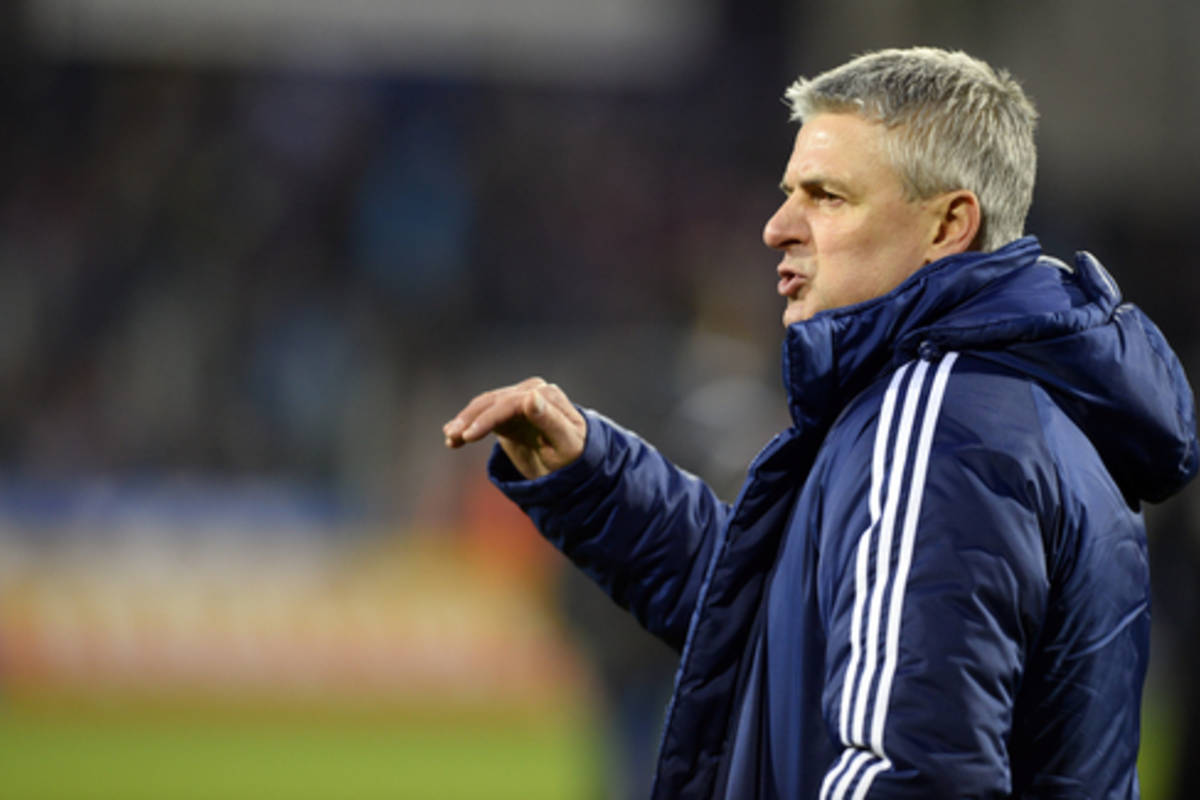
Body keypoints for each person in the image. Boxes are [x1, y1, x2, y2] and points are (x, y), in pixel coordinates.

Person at [443, 47, 1199, 798]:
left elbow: (913, 774)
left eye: (827, 197)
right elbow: (790, 628)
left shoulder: (941, 424)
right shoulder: (1011, 402)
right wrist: (599, 483)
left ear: (948, 225)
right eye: (788, 194)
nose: (777, 227)